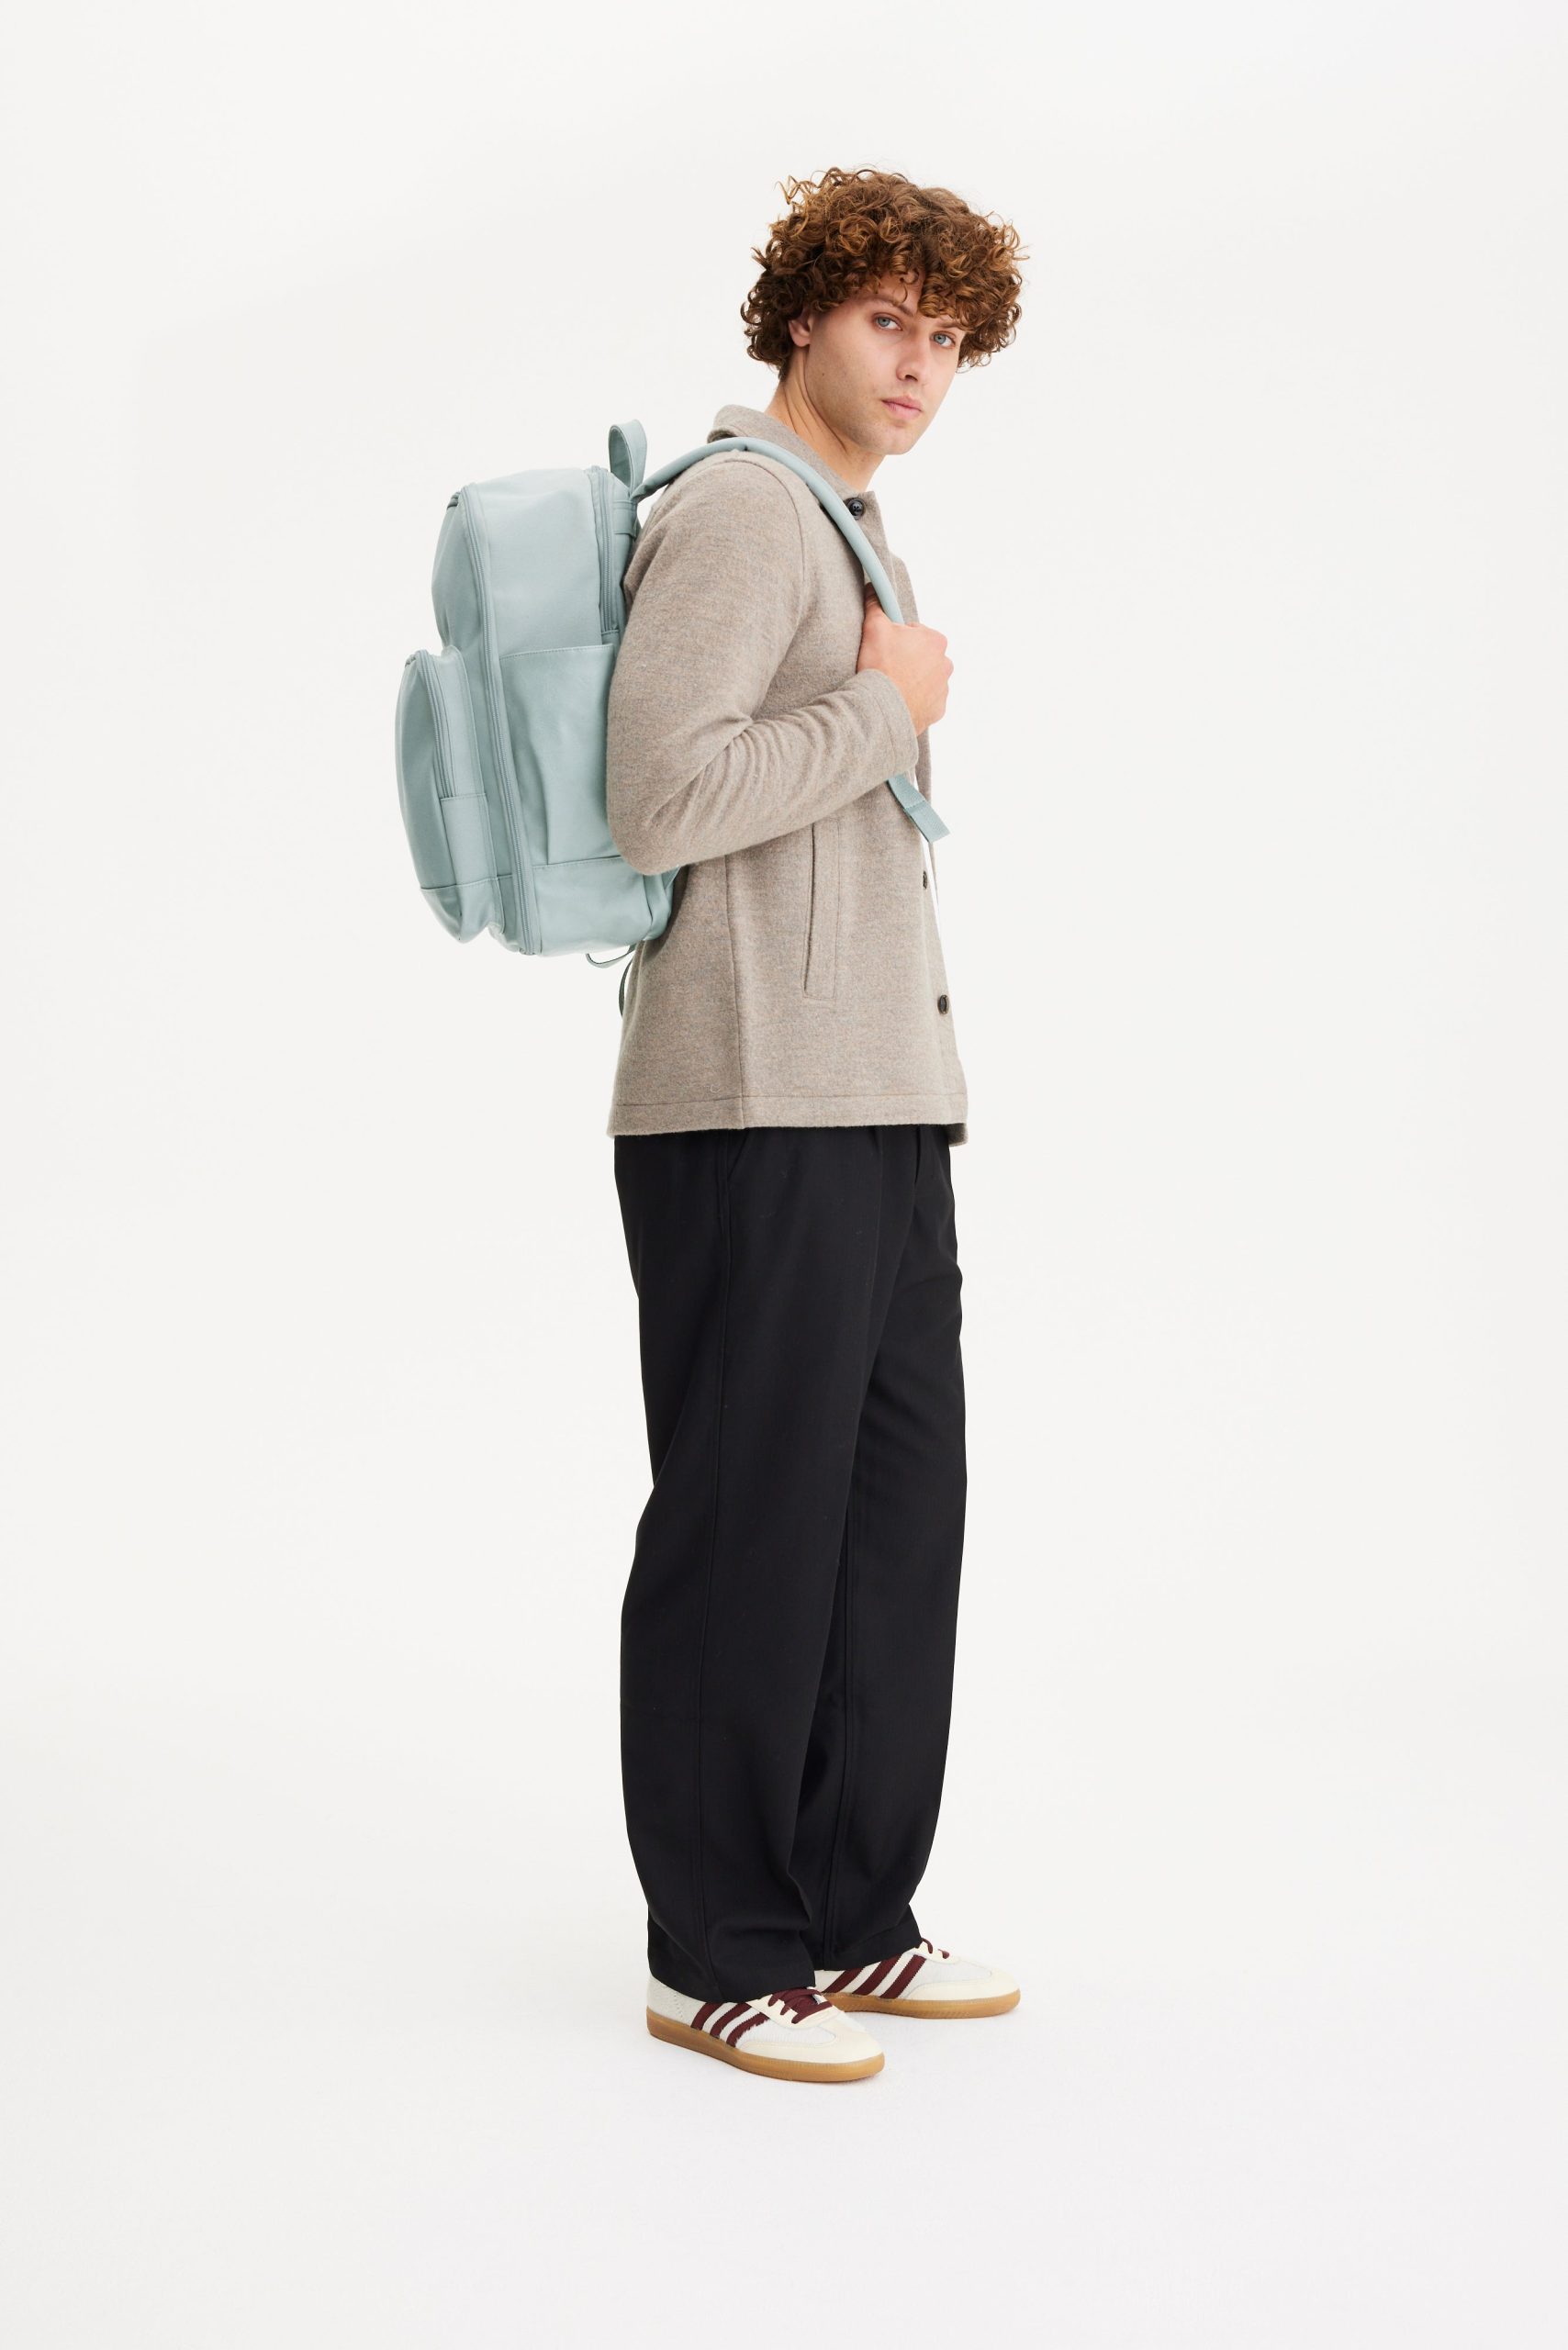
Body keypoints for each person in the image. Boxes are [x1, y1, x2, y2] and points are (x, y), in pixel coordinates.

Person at [603, 166, 1026, 2084]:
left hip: (873, 1094)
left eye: (946, 336)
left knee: (888, 1522)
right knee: (750, 1522)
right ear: (801, 317)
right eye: (885, 320)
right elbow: (659, 793)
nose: (918, 362)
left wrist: (877, 697)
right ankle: (716, 1948)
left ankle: (852, 1917)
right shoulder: (738, 512)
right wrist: (885, 705)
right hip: (748, 1094)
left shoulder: (848, 526)